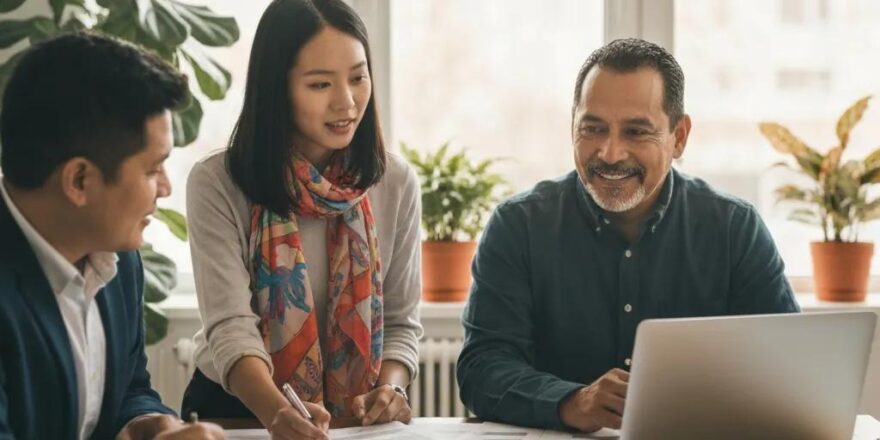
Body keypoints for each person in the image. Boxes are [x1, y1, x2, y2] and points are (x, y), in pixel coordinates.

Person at [456, 38, 800, 433]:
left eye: (636, 131)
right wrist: (572, 401)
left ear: (679, 137)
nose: (611, 153)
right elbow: (482, 370)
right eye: (593, 128)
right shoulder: (517, 226)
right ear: (573, 128)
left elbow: (787, 374)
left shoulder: (735, 229)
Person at [180, 0, 423, 438]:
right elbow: (231, 327)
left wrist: (390, 389)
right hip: (238, 409)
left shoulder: (396, 181)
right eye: (319, 84)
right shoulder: (217, 182)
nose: (346, 102)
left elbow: (402, 321)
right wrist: (276, 414)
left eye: (358, 77)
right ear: (277, 88)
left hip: (355, 416)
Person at [0, 33, 224, 439]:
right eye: (153, 169)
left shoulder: (116, 258)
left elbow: (129, 390)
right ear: (80, 180)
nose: (167, 187)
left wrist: (146, 426)